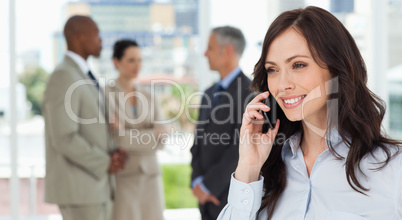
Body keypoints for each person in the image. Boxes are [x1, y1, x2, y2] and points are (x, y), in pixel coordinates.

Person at [217, 6, 402, 220]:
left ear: (337, 68)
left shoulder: (393, 171)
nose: (283, 84)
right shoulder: (266, 171)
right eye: (272, 69)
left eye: (298, 65)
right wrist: (248, 168)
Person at [42, 16, 127, 220]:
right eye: (96, 35)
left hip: (93, 189)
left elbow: (91, 128)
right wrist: (105, 162)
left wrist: (113, 152)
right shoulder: (63, 76)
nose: (101, 41)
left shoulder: (82, 73)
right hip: (80, 191)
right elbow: (64, 137)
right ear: (79, 37)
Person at [190, 26, 254, 220]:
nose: (205, 54)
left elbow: (239, 148)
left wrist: (210, 185)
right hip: (205, 200)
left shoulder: (251, 93)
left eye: (209, 48)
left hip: (228, 198)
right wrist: (197, 182)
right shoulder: (209, 93)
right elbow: (198, 143)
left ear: (227, 51)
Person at [105, 39, 166, 220]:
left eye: (140, 60)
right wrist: (152, 134)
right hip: (123, 177)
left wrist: (127, 134)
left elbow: (161, 141)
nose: (137, 65)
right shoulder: (105, 95)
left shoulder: (149, 95)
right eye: (131, 60)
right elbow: (116, 139)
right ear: (116, 62)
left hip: (151, 177)